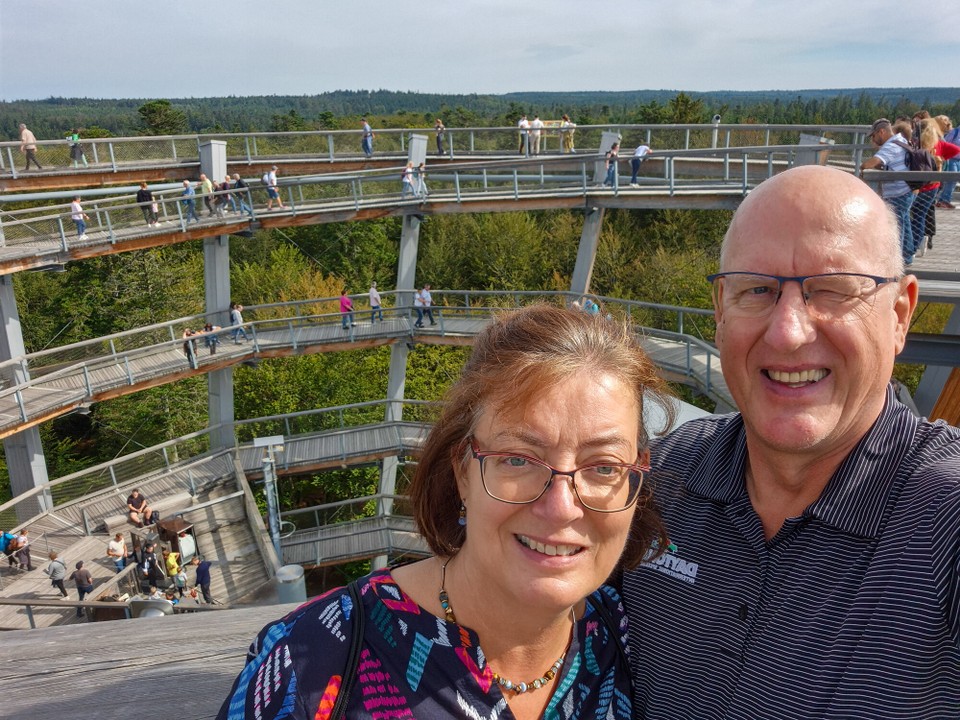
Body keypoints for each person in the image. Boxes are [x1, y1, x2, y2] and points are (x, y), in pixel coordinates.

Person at [216, 304, 675, 720]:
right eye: (517, 459)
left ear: (636, 479)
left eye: (603, 467)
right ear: (462, 472)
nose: (560, 506)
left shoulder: (635, 641)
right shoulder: (313, 662)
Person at [623, 165, 960, 719]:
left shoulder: (942, 515)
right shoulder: (667, 479)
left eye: (832, 291)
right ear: (719, 312)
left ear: (900, 315)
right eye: (756, 290)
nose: (788, 331)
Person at [859, 118, 915, 264]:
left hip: (897, 193)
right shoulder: (900, 140)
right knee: (904, 221)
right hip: (906, 190)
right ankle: (908, 255)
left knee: (897, 226)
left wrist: (863, 167)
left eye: (874, 136)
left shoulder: (890, 146)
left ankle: (897, 261)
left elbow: (869, 164)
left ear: (881, 132)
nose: (873, 139)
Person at [937, 115, 960, 208]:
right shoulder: (955, 132)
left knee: (953, 180)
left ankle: (942, 201)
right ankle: (945, 200)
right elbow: (944, 144)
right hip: (951, 159)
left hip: (958, 160)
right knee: (951, 180)